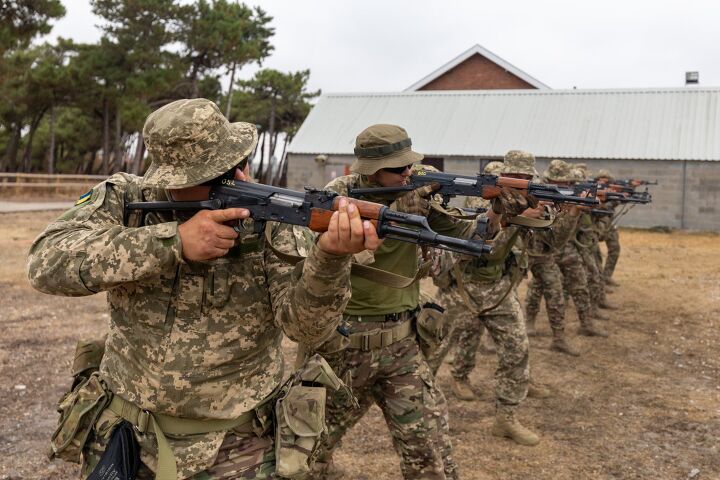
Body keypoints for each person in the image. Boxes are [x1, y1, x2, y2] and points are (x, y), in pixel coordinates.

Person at [27, 98, 381, 480]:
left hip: (237, 448)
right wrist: (172, 241)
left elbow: (305, 328)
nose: (236, 181)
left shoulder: (271, 218)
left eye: (236, 166)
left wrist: (329, 259)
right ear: (168, 180)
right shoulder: (127, 198)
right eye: (214, 176)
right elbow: (45, 263)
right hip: (126, 437)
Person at [306, 124, 529, 480]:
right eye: (397, 168)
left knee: (431, 456)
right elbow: (321, 262)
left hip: (402, 344)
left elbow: (469, 237)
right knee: (307, 452)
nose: (408, 172)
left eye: (409, 164)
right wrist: (393, 214)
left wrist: (497, 214)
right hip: (342, 346)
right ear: (369, 169)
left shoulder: (420, 192)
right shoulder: (338, 197)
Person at [434, 151, 550, 447]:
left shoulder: (529, 201)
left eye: (527, 178)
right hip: (462, 287)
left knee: (517, 349)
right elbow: (476, 243)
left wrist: (553, 217)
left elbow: (546, 248)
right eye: (517, 177)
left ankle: (506, 418)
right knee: (431, 350)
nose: (522, 183)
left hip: (498, 289)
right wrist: (516, 219)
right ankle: (420, 413)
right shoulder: (481, 199)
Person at [524, 160, 591, 356]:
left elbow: (559, 238)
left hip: (544, 253)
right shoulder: (535, 193)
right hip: (522, 251)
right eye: (560, 184)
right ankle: (492, 337)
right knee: (509, 292)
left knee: (555, 291)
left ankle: (559, 339)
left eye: (568, 184)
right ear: (548, 180)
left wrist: (573, 211)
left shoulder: (556, 200)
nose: (565, 188)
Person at [595, 169, 622, 285]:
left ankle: (606, 276)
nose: (603, 185)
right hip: (595, 225)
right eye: (601, 182)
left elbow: (618, 200)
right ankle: (598, 281)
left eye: (606, 182)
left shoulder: (611, 192)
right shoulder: (591, 192)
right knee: (594, 256)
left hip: (608, 226)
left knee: (615, 249)